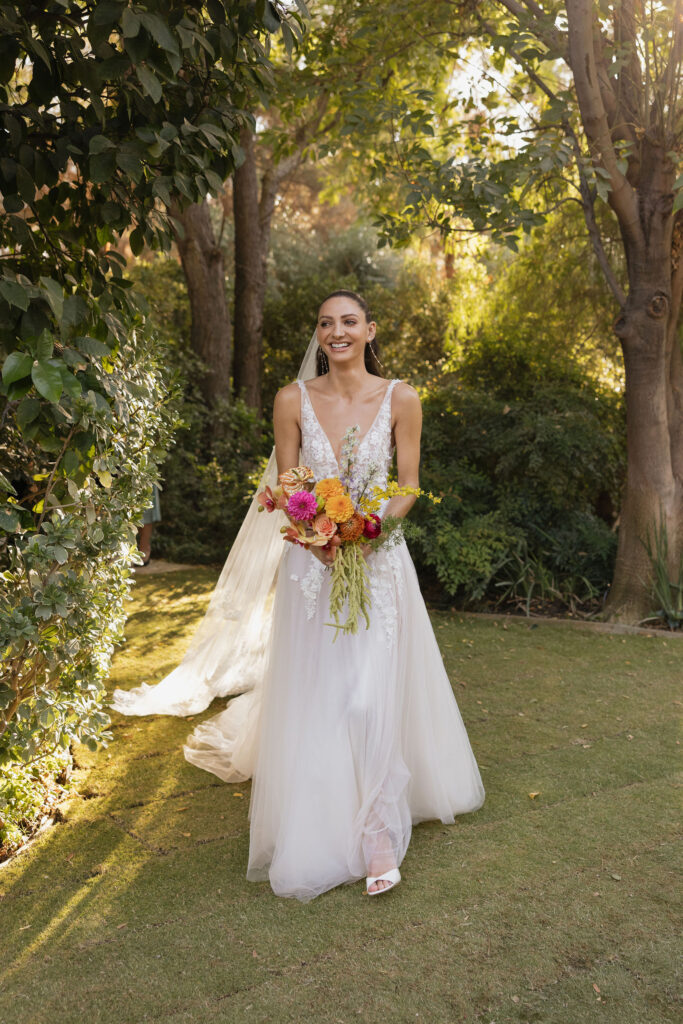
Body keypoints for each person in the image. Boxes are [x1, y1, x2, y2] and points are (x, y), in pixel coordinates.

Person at [112, 290, 485, 901]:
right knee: (323, 693)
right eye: (325, 323)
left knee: (369, 696)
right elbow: (288, 483)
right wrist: (318, 534)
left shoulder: (402, 398)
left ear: (369, 329)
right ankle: (328, 813)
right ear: (319, 335)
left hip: (379, 563)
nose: (336, 332)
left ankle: (378, 832)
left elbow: (409, 485)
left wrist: (369, 529)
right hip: (311, 566)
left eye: (348, 322)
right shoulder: (293, 400)